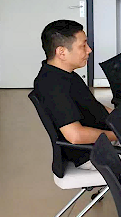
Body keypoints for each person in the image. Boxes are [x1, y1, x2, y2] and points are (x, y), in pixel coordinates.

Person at [32, 20, 115, 168]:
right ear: (61, 52)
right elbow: (75, 135)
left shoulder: (66, 74)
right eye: (83, 45)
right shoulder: (52, 85)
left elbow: (93, 106)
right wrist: (116, 135)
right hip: (92, 153)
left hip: (104, 140)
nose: (89, 50)